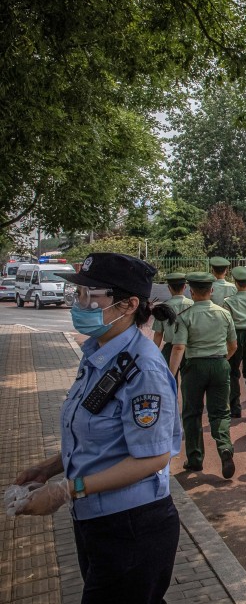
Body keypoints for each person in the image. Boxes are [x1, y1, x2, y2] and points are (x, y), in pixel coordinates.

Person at [14, 252, 182, 603]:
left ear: (128, 305)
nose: (80, 303)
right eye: (79, 295)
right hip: (95, 519)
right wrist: (48, 468)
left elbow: (152, 458)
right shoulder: (99, 352)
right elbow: (96, 436)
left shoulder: (143, 370)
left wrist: (65, 490)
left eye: (91, 296)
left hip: (131, 526)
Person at [168, 271, 237, 478]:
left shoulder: (185, 316)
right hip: (219, 362)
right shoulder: (224, 313)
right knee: (220, 412)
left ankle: (195, 458)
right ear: (212, 291)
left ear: (191, 291)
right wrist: (223, 359)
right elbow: (233, 345)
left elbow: (179, 347)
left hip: (195, 366)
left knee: (192, 413)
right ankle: (224, 446)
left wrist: (172, 374)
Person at [223, 266, 246, 419]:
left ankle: (235, 407)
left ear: (236, 283)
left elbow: (228, 323)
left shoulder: (228, 301)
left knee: (233, 371)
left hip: (235, 334)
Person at [152, 271, 192, 371]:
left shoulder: (163, 307)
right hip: (189, 347)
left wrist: (154, 352)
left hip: (169, 348)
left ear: (169, 288)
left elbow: (158, 334)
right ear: (185, 287)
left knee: (168, 378)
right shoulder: (193, 305)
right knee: (188, 379)